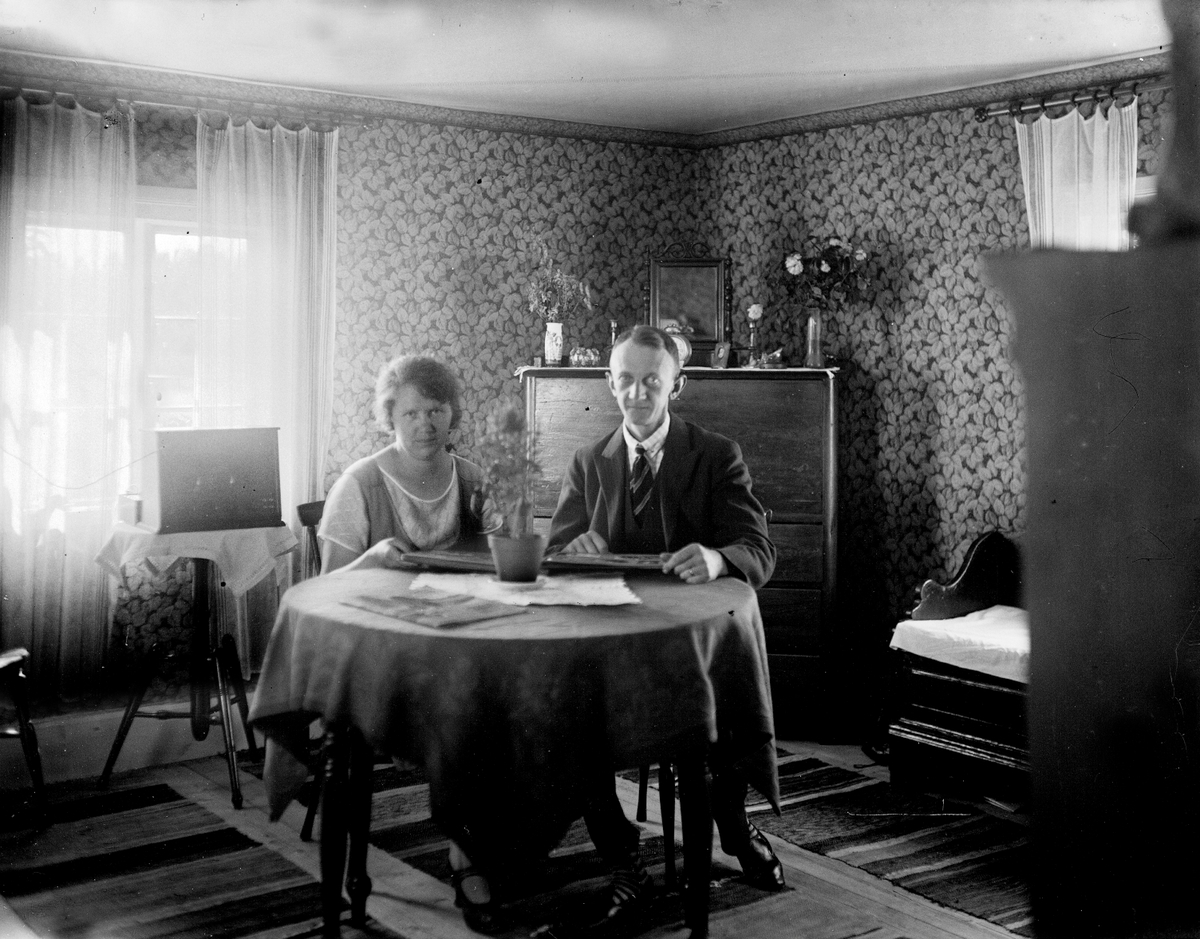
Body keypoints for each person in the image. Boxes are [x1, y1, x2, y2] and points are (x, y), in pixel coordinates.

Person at [548, 324, 785, 921]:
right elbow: (554, 552)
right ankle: (622, 860)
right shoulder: (588, 462)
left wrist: (718, 558)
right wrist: (576, 549)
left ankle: (733, 825)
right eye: (625, 380)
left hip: (688, 653)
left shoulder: (716, 454)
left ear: (676, 385)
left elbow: (758, 547)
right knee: (567, 709)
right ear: (609, 383)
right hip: (613, 649)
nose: (637, 394)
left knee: (722, 700)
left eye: (651, 381)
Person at [317, 354, 499, 933]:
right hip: (381, 659)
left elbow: (503, 567)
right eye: (412, 413)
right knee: (463, 708)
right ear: (389, 416)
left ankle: (496, 838)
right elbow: (325, 591)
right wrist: (372, 558)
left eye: (437, 410)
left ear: (452, 413)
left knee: (522, 695)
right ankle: (468, 852)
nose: (426, 424)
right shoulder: (359, 484)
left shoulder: (473, 478)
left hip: (462, 645)